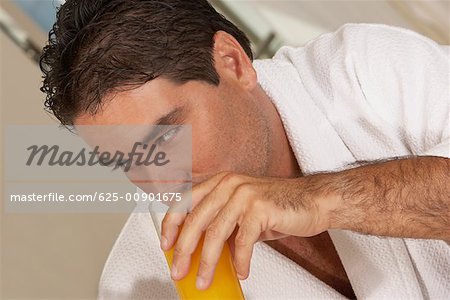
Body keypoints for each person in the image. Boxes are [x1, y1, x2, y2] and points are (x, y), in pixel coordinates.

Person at [40, 0, 449, 298]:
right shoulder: (141, 279)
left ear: (233, 63)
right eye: (126, 162)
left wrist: (325, 199)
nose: (163, 183)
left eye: (165, 137)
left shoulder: (365, 71)